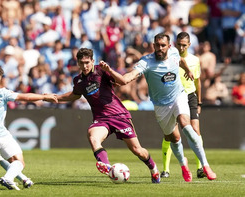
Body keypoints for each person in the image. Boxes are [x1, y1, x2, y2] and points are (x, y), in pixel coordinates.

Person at [100, 33, 217, 182]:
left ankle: (206, 165)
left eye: (163, 45)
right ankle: (183, 164)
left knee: (186, 126)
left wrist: (187, 69)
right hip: (161, 106)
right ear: (153, 45)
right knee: (174, 138)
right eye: (157, 45)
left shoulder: (174, 52)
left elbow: (180, 60)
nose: (160, 48)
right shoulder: (146, 62)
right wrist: (110, 71)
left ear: (169, 46)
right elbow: (126, 79)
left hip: (179, 96)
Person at [55, 48, 161, 184]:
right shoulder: (78, 81)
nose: (85, 66)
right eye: (82, 63)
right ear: (78, 63)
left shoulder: (101, 70)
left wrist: (109, 70)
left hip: (119, 115)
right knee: (93, 137)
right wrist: (55, 97)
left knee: (138, 150)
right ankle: (108, 166)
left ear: (92, 61)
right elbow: (74, 95)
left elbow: (122, 81)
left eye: (87, 62)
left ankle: (153, 168)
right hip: (101, 119)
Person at [160, 32, 206, 179]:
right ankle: (166, 169)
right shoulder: (169, 59)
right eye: (179, 44)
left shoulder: (195, 60)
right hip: (173, 97)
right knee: (170, 135)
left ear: (189, 45)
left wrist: (199, 102)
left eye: (184, 45)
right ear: (175, 43)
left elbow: (197, 81)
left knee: (196, 130)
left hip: (190, 96)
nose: (181, 47)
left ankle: (200, 168)